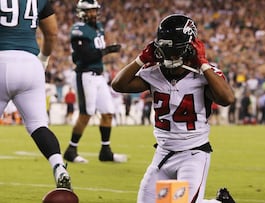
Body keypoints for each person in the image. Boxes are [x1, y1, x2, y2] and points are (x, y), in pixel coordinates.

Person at [111, 14, 236, 203]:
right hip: (162, 153)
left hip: (193, 153)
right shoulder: (154, 72)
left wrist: (202, 63)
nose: (170, 55)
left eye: (175, 50)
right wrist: (140, 59)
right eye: (166, 49)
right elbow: (118, 85)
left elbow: (227, 98)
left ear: (190, 47)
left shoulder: (203, 74)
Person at [0, 0, 71, 189]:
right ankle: (58, 166)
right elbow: (52, 33)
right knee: (38, 125)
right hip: (30, 63)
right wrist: (44, 59)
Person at [63, 0, 126, 163]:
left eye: (94, 10)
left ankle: (105, 151)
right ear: (82, 12)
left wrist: (106, 50)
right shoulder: (78, 29)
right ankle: (71, 150)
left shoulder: (98, 27)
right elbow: (84, 55)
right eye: (90, 11)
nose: (93, 14)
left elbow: (95, 53)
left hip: (99, 76)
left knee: (108, 112)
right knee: (86, 114)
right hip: (85, 75)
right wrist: (107, 50)